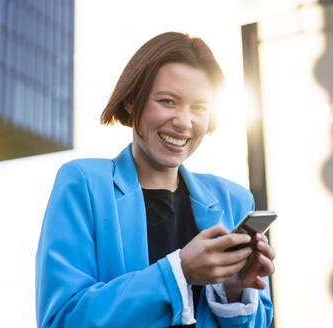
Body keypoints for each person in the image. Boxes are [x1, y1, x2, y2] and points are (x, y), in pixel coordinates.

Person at [35, 31, 275, 327]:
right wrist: (179, 271)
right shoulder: (83, 184)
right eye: (168, 101)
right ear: (131, 101)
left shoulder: (234, 199)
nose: (184, 122)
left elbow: (260, 321)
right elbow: (63, 319)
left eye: (199, 107)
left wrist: (234, 289)